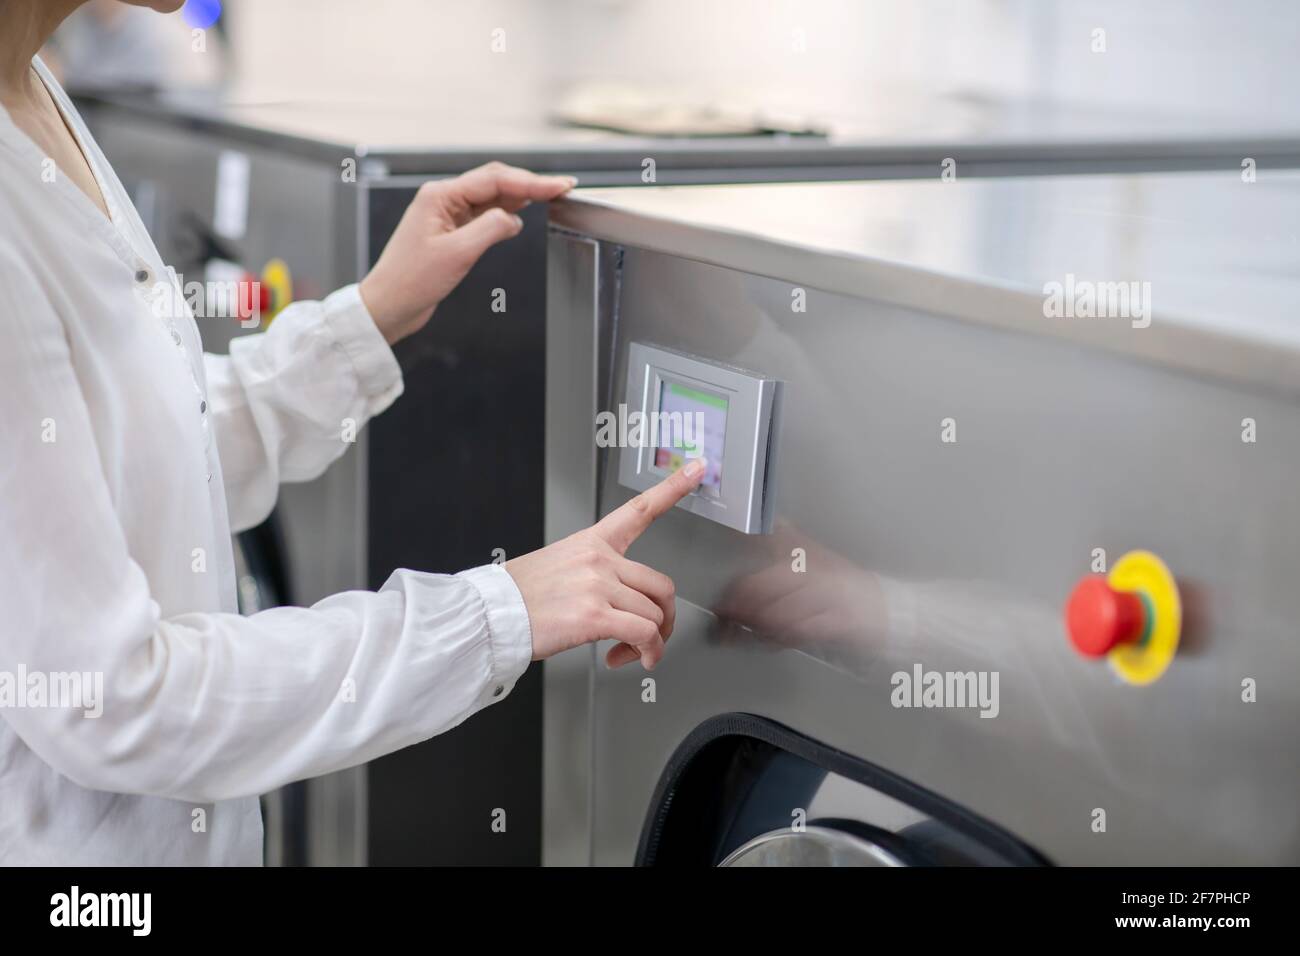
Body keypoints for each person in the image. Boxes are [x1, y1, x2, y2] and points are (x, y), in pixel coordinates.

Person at [0, 0, 702, 865]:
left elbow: (129, 457)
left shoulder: (28, 91)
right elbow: (113, 702)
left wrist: (367, 320)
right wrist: (497, 610)